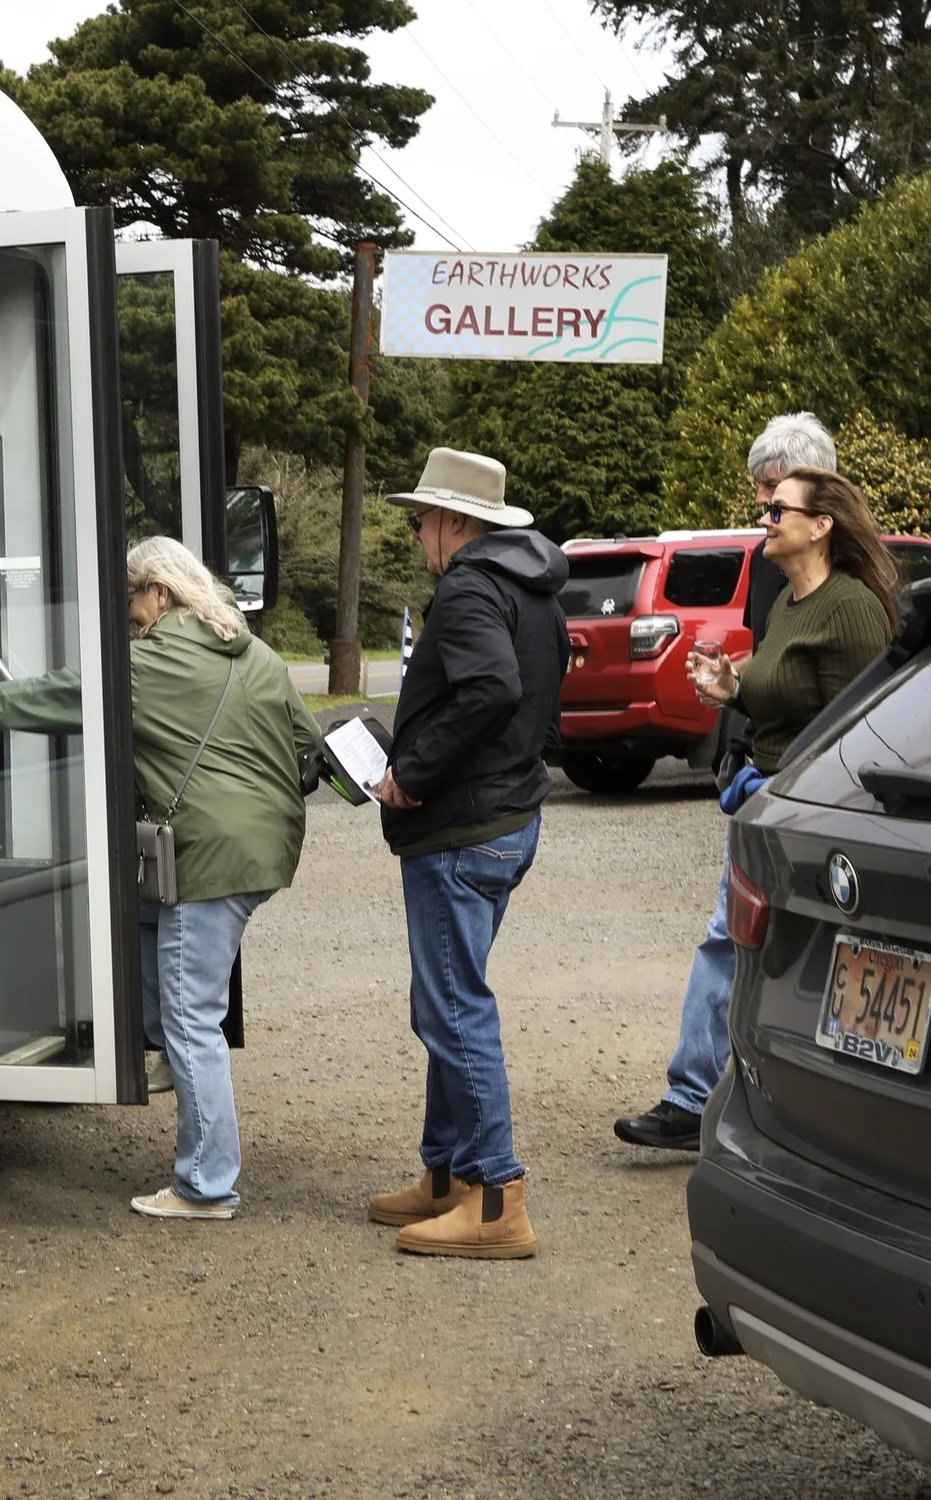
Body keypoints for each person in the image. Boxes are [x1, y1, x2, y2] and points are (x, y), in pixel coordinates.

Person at [0, 536, 319, 1220]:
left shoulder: (148, 663)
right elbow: (307, 743)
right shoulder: (256, 654)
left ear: (159, 592)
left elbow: (56, 696)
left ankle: (205, 1185)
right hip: (264, 848)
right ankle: (165, 1052)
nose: (130, 618)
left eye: (132, 602)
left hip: (210, 856)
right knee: (143, 921)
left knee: (194, 1017)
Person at [614, 462, 897, 1150]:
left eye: (778, 512)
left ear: (820, 526)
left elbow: (870, 726)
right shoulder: (790, 603)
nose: (766, 520)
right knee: (733, 945)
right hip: (767, 805)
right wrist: (731, 689)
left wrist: (806, 800)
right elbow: (787, 690)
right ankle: (701, 1098)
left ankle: (803, 1111)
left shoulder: (853, 607)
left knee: (802, 956)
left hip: (816, 817)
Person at [366, 449, 566, 1260]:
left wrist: (412, 774)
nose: (417, 534)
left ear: (455, 521)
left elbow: (491, 688)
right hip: (507, 816)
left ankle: (495, 1201)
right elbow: (533, 701)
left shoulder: (469, 588)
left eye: (420, 519)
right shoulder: (533, 587)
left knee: (453, 1006)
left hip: (462, 828)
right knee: (449, 996)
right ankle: (447, 1174)